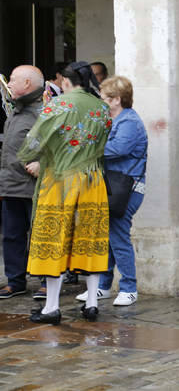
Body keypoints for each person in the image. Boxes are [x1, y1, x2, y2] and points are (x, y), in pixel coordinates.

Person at [19, 61, 111, 324]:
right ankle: (92, 303)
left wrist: (36, 157)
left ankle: (51, 306)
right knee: (90, 238)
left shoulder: (58, 105)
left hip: (60, 180)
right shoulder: (102, 108)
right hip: (93, 180)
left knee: (53, 239)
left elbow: (32, 142)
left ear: (66, 82)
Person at [75, 76, 148, 307]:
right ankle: (103, 286)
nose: (101, 101)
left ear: (117, 99)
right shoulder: (114, 119)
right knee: (107, 237)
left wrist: (86, 146)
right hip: (113, 185)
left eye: (104, 98)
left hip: (127, 188)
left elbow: (117, 149)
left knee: (118, 236)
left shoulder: (129, 122)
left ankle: (129, 287)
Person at [0, 65, 46, 301]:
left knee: (41, 235)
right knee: (11, 235)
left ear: (27, 84)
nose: (9, 84)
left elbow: (55, 146)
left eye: (13, 80)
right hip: (11, 186)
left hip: (35, 187)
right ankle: (15, 281)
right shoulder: (15, 111)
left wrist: (42, 164)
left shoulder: (44, 111)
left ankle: (47, 282)